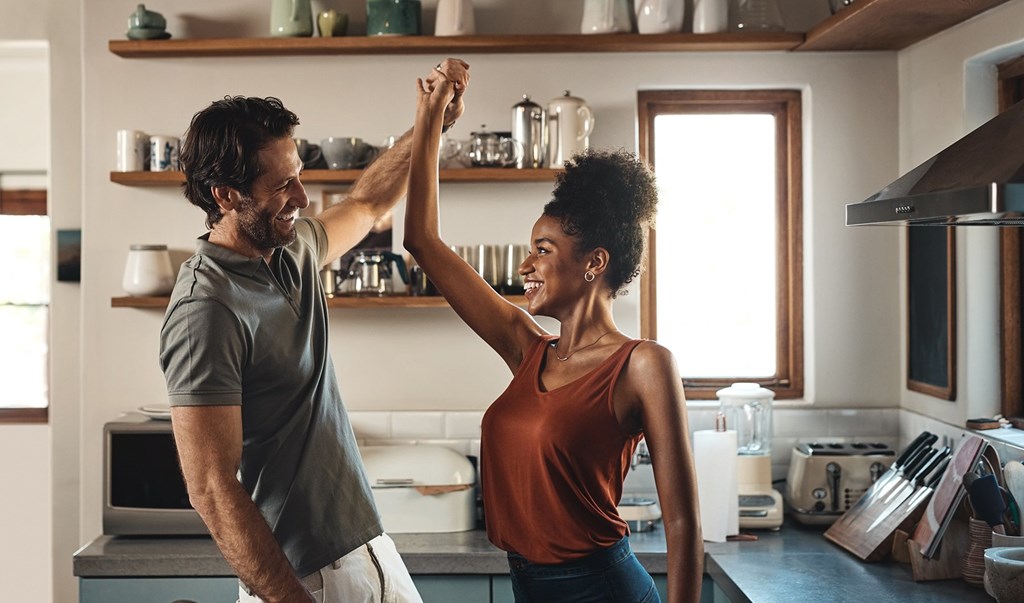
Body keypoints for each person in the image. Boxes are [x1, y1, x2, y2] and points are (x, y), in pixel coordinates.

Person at [158, 58, 470, 603]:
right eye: (283, 185)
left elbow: (367, 202)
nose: (302, 199)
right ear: (226, 195)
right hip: (304, 578)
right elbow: (211, 487)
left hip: (368, 549)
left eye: (298, 175)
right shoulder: (205, 309)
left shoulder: (291, 249)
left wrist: (431, 123)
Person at [404, 77, 703, 602]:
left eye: (542, 249)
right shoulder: (527, 347)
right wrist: (431, 117)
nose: (526, 265)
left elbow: (682, 522)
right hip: (530, 586)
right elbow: (422, 242)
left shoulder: (643, 365)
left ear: (595, 262)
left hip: (604, 589)